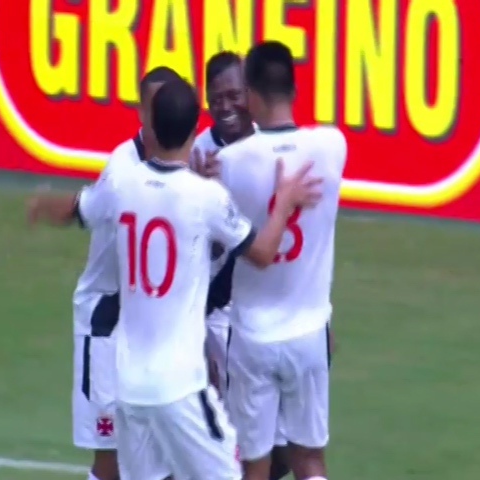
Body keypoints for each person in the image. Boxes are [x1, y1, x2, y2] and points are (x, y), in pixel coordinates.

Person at [72, 77, 322, 479]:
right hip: (179, 383)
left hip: (130, 380)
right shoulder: (201, 194)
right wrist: (284, 204)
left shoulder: (125, 182)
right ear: (195, 129)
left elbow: (83, 210)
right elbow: (261, 252)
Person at [27, 66, 181, 480]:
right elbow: (83, 209)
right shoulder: (122, 169)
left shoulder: (188, 165)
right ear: (141, 112)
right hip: (107, 329)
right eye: (154, 107)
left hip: (152, 332)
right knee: (110, 458)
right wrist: (46, 207)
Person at [217, 41, 347, 480]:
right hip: (310, 332)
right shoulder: (332, 145)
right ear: (293, 89)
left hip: (252, 336)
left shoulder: (230, 162)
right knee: (310, 460)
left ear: (250, 94)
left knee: (255, 464)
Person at [193, 50, 291, 480]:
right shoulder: (200, 151)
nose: (226, 106)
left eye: (234, 95)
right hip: (219, 311)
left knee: (281, 442)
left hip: (270, 308)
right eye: (216, 99)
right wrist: (201, 191)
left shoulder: (269, 148)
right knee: (234, 434)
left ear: (250, 95)